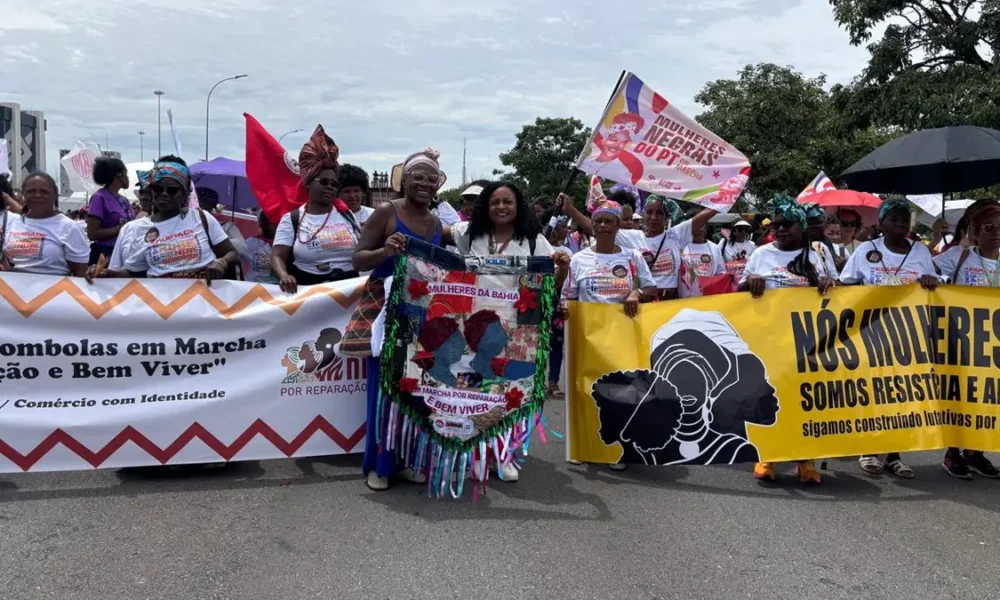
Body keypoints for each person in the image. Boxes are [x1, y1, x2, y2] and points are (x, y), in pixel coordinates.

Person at [451, 180, 569, 481]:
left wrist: (563, 269)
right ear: (485, 207)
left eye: (507, 202)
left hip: (518, 329)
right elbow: (430, 237)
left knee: (511, 391)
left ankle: (503, 453)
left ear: (518, 207)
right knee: (472, 388)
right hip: (473, 328)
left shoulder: (533, 241)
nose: (501, 207)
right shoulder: (468, 235)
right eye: (494, 202)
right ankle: (474, 453)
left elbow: (548, 287)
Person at [353, 148, 450, 492]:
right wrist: (386, 251)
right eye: (417, 176)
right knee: (386, 390)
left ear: (438, 184)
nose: (424, 183)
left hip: (424, 318)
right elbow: (359, 260)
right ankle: (379, 465)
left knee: (419, 391)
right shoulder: (386, 212)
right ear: (403, 180)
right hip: (389, 315)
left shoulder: (439, 224)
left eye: (430, 178)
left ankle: (410, 460)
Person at [839, 199, 938, 479]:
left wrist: (931, 281)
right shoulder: (866, 251)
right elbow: (846, 285)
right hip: (872, 334)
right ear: (881, 223)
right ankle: (869, 449)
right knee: (873, 391)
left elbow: (933, 282)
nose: (899, 223)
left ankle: (894, 454)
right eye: (893, 218)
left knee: (900, 395)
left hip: (909, 336)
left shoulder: (920, 251)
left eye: (904, 219)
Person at [739, 199, 836, 483]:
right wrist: (751, 282)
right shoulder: (760, 254)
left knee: (805, 400)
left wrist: (830, 285)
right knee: (769, 395)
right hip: (769, 337)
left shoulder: (818, 252)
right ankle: (767, 454)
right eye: (776, 225)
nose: (780, 230)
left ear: (802, 227)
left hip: (809, 340)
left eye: (787, 225)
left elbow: (837, 291)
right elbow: (739, 290)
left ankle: (805, 460)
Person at [566, 198, 656, 470]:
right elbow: (568, 297)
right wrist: (562, 310)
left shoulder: (632, 257)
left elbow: (651, 289)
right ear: (591, 226)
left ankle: (614, 447)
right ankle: (580, 445)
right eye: (598, 221)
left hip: (622, 335)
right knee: (584, 391)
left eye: (609, 221)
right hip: (587, 336)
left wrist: (635, 292)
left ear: (619, 225)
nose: (603, 226)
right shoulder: (579, 259)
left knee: (620, 391)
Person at [932, 201, 1000, 479]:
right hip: (961, 342)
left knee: (988, 398)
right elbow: (924, 273)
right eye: (989, 227)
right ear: (974, 229)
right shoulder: (958, 257)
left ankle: (976, 453)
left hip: (994, 345)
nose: (995, 232)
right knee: (961, 396)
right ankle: (952, 453)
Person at [90, 157, 238, 283]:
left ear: (185, 193)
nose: (164, 194)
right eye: (158, 189)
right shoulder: (138, 228)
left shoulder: (201, 217)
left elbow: (231, 252)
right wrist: (107, 274)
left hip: (203, 305)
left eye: (172, 190)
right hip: (163, 307)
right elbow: (134, 273)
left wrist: (221, 263)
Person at [562, 193, 717, 299]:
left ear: (667, 217)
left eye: (659, 213)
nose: (653, 217)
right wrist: (570, 209)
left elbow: (704, 217)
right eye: (649, 212)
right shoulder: (631, 237)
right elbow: (595, 226)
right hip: (643, 303)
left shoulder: (675, 236)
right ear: (643, 214)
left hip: (672, 302)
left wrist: (726, 198)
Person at [271, 126, 362, 293]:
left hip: (348, 292)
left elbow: (363, 249)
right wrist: (284, 275)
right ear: (308, 183)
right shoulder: (292, 219)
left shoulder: (346, 214)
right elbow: (277, 256)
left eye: (334, 184)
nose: (330, 187)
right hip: (309, 294)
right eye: (324, 182)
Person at [0, 172, 89, 277]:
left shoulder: (70, 228)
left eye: (44, 192)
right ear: (23, 195)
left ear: (54, 195)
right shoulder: (8, 221)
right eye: (31, 191)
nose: (37, 195)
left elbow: (81, 275)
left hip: (54, 292)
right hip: (10, 290)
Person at [87, 156, 135, 265]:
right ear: (118, 175)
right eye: (125, 173)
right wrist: (120, 229)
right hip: (107, 256)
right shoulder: (99, 197)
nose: (128, 178)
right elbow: (92, 233)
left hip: (127, 254)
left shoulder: (125, 200)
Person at [243, 211, 278, 284]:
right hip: (252, 287)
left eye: (271, 223)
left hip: (276, 290)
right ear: (261, 225)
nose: (269, 226)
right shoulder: (252, 242)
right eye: (266, 223)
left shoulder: (283, 244)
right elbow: (236, 256)